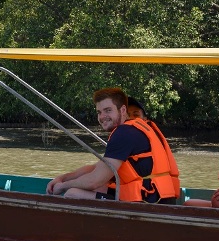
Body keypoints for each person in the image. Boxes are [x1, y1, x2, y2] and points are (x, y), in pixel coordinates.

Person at [47, 87, 180, 204]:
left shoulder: (124, 132)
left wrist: (63, 186)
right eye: (99, 112)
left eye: (108, 110)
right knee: (98, 186)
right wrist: (62, 178)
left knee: (72, 193)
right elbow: (97, 168)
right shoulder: (139, 127)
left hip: (149, 203)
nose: (102, 117)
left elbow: (94, 181)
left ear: (122, 110)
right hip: (161, 198)